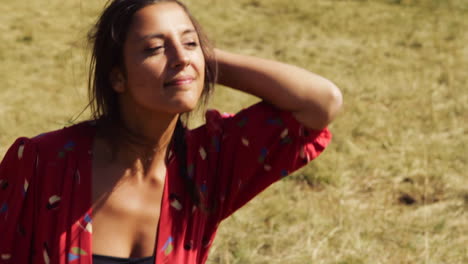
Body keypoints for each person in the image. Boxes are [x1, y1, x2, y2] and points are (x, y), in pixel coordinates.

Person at [0, 0, 342, 263]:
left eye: (190, 43)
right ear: (117, 76)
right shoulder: (43, 162)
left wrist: (201, 61)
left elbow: (320, 102)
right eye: (154, 48)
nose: (179, 57)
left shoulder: (208, 163)